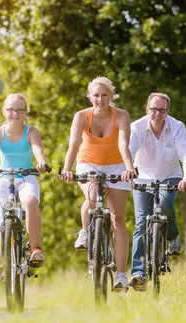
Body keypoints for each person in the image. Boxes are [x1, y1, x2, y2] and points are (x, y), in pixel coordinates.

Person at [59, 76, 136, 292]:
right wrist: (66, 169)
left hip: (116, 165)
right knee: (92, 196)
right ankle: (85, 232)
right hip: (88, 163)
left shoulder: (121, 116)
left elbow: (123, 145)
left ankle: (121, 274)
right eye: (96, 95)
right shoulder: (82, 116)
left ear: (111, 96)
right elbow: (73, 145)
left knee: (118, 218)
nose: (100, 99)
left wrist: (129, 168)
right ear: (89, 97)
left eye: (104, 95)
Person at [0, 93, 49, 282]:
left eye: (19, 110)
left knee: (31, 202)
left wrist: (41, 163)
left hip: (26, 176)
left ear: (25, 112)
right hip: (4, 177)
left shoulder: (31, 132)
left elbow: (37, 150)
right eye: (11, 109)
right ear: (4, 111)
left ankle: (35, 249)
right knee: (2, 225)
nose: (15, 113)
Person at [128, 92, 186, 292]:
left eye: (162, 110)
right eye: (154, 109)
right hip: (142, 178)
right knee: (141, 223)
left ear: (168, 111)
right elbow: (129, 152)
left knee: (166, 205)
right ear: (147, 109)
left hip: (170, 176)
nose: (157, 113)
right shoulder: (137, 127)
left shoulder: (177, 127)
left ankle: (173, 236)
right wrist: (128, 173)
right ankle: (138, 272)